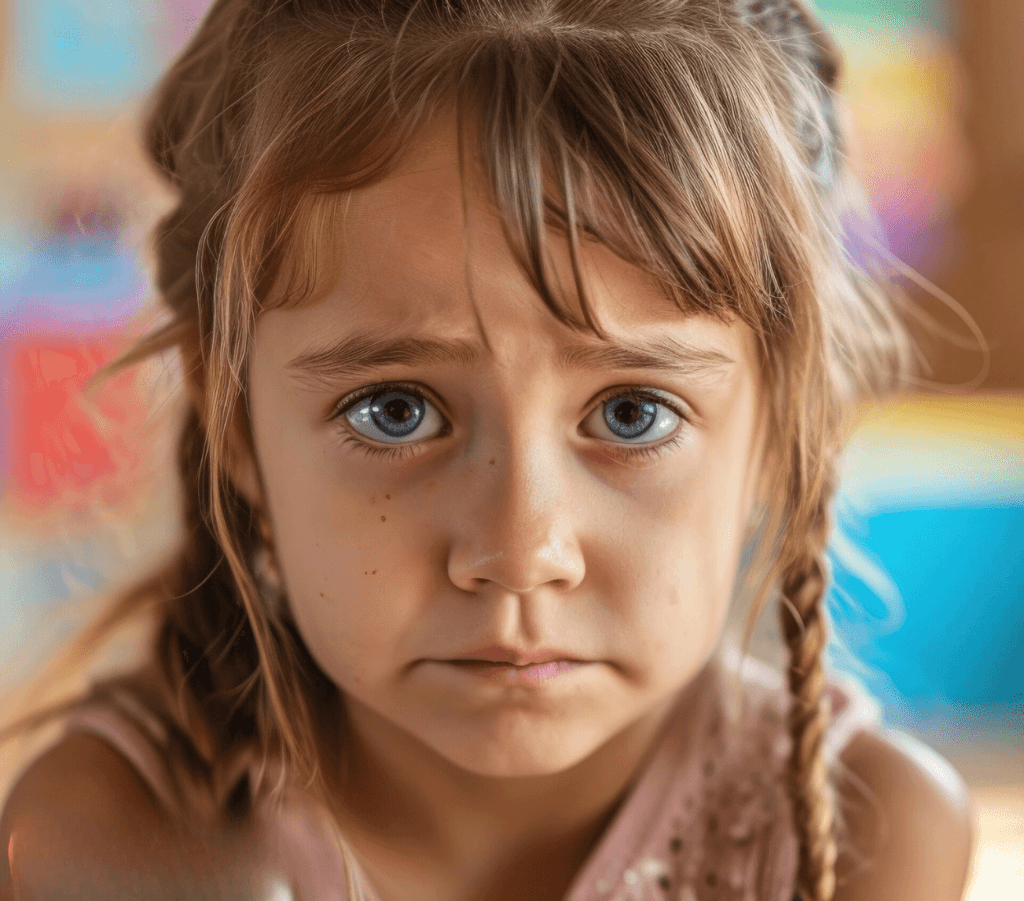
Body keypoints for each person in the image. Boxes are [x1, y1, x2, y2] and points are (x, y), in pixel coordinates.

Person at [0, 1, 974, 899]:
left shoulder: (866, 846)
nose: (518, 551)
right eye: (393, 410)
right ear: (234, 420)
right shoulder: (113, 840)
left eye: (633, 412)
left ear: (777, 429)